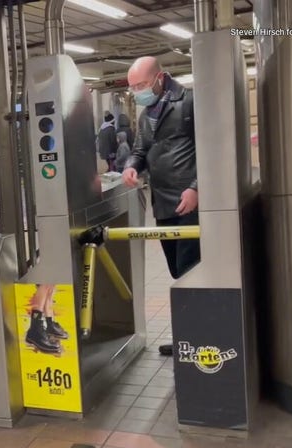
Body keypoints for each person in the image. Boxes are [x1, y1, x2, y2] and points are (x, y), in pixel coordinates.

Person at [121, 57, 200, 356]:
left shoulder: (189, 103)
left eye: (141, 85)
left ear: (160, 78)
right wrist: (131, 166)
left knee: (192, 272)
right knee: (178, 271)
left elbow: (209, 147)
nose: (137, 92)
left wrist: (196, 187)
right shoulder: (146, 115)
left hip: (189, 204)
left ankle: (196, 338)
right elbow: (140, 149)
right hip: (163, 205)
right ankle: (188, 334)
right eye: (133, 88)